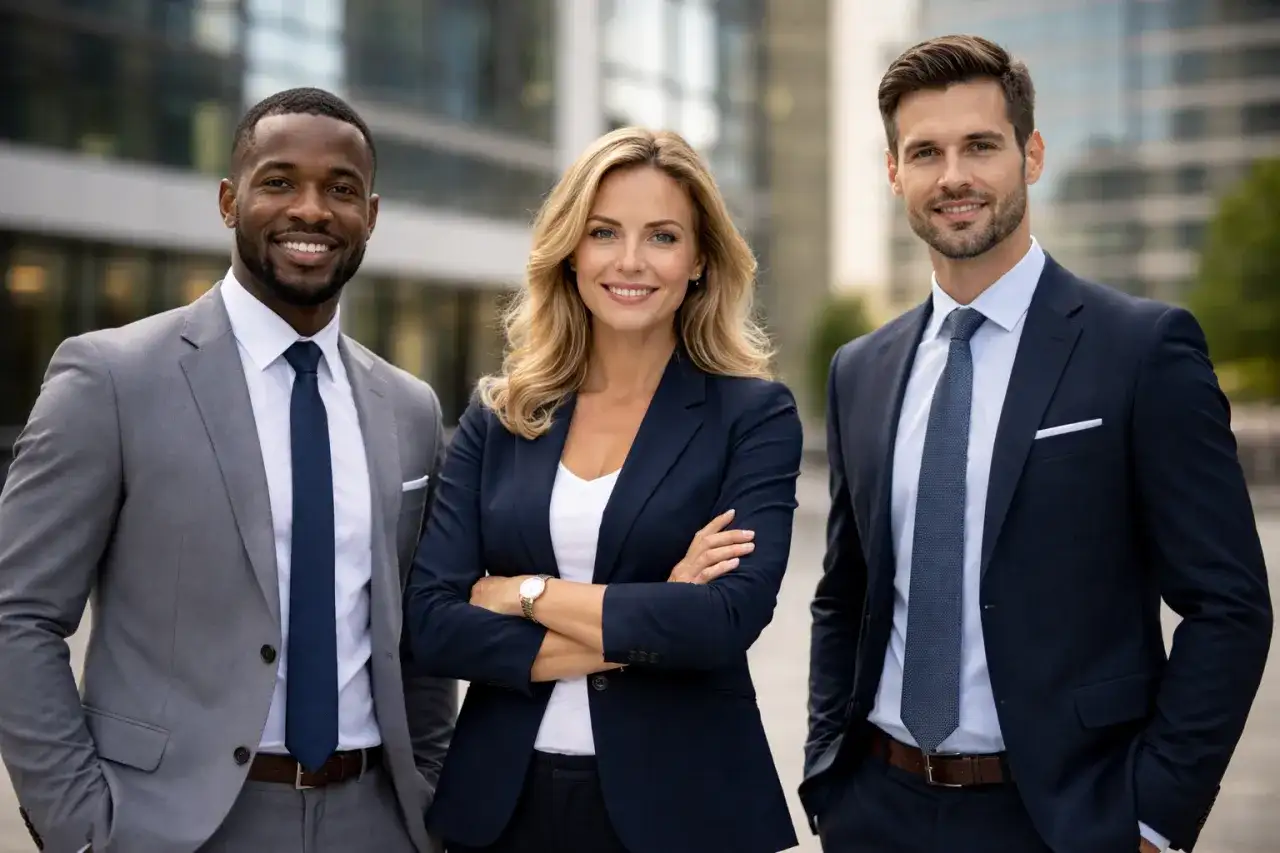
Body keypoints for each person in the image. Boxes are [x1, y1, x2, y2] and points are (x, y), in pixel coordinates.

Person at [801, 34, 1272, 853]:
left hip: (1064, 819)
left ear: (1032, 155)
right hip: (878, 810)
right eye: (926, 152)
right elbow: (846, 593)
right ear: (894, 173)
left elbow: (1228, 605)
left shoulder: (1141, 350)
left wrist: (1153, 818)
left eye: (980, 145)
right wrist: (827, 775)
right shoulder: (860, 371)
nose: (954, 176)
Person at [0, 88, 457, 853]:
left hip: (375, 819)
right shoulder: (111, 379)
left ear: (371, 215)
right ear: (228, 200)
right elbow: (17, 615)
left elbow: (416, 640)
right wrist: (79, 824)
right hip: (172, 827)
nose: (310, 209)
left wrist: (428, 800)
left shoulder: (409, 409)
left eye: (341, 189)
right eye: (279, 181)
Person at [403, 126, 803, 853]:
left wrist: (523, 592)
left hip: (683, 811)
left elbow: (723, 620)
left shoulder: (752, 415)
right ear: (570, 251)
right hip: (503, 808)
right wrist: (656, 613)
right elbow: (433, 626)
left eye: (662, 236)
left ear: (699, 260)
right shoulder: (501, 416)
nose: (630, 261)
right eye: (604, 232)